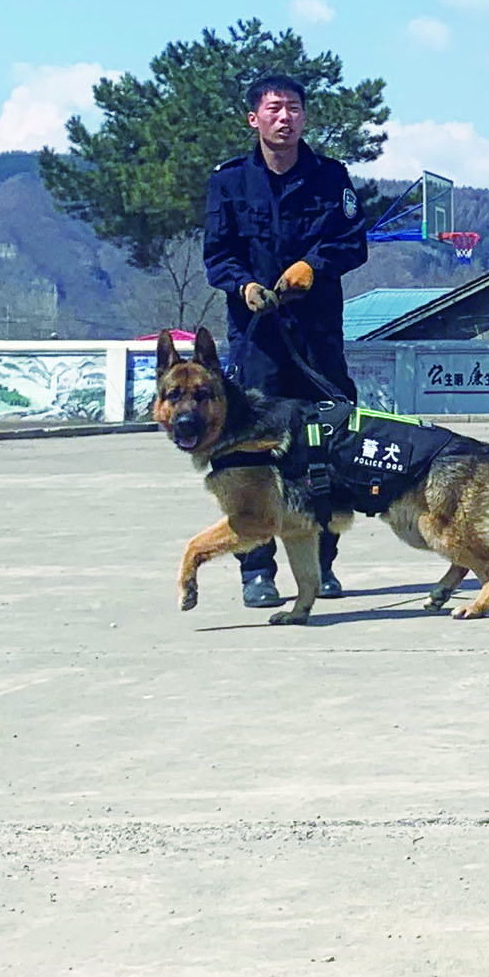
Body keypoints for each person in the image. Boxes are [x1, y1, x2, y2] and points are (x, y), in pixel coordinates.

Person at [203, 74, 369, 607]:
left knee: (326, 444)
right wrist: (244, 285)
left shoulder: (331, 177)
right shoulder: (228, 182)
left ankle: (321, 564)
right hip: (258, 342)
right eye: (274, 109)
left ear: (305, 118)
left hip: (317, 336)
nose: (285, 117)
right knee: (250, 455)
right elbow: (217, 256)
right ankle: (256, 569)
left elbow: (352, 243)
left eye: (294, 108)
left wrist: (312, 268)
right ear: (254, 118)